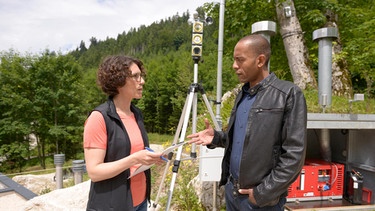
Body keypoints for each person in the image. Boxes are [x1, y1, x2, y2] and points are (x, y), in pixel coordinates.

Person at [188, 34, 307, 210]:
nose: (234, 66)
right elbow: (242, 140)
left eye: (240, 60)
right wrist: (216, 138)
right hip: (233, 194)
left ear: (260, 60)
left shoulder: (288, 94)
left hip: (260, 202)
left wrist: (261, 194)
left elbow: (294, 155)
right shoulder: (242, 94)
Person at [83, 55, 164, 210]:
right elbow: (94, 172)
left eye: (141, 76)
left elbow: (135, 151)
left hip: (140, 202)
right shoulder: (99, 118)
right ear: (118, 81)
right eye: (135, 76)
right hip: (113, 205)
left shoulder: (136, 114)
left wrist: (152, 157)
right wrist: (134, 159)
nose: (142, 81)